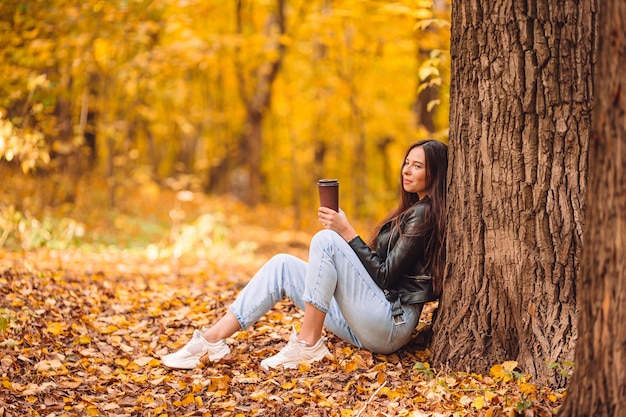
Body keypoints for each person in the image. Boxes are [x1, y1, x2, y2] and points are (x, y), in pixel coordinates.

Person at [161, 139, 448, 370]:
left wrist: (347, 233)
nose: (406, 171)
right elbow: (375, 270)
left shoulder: (424, 214)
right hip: (368, 320)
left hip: (389, 324)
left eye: (417, 166)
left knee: (327, 239)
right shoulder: (411, 210)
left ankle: (308, 344)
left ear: (434, 172)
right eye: (406, 164)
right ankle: (211, 340)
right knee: (282, 264)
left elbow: (386, 277)